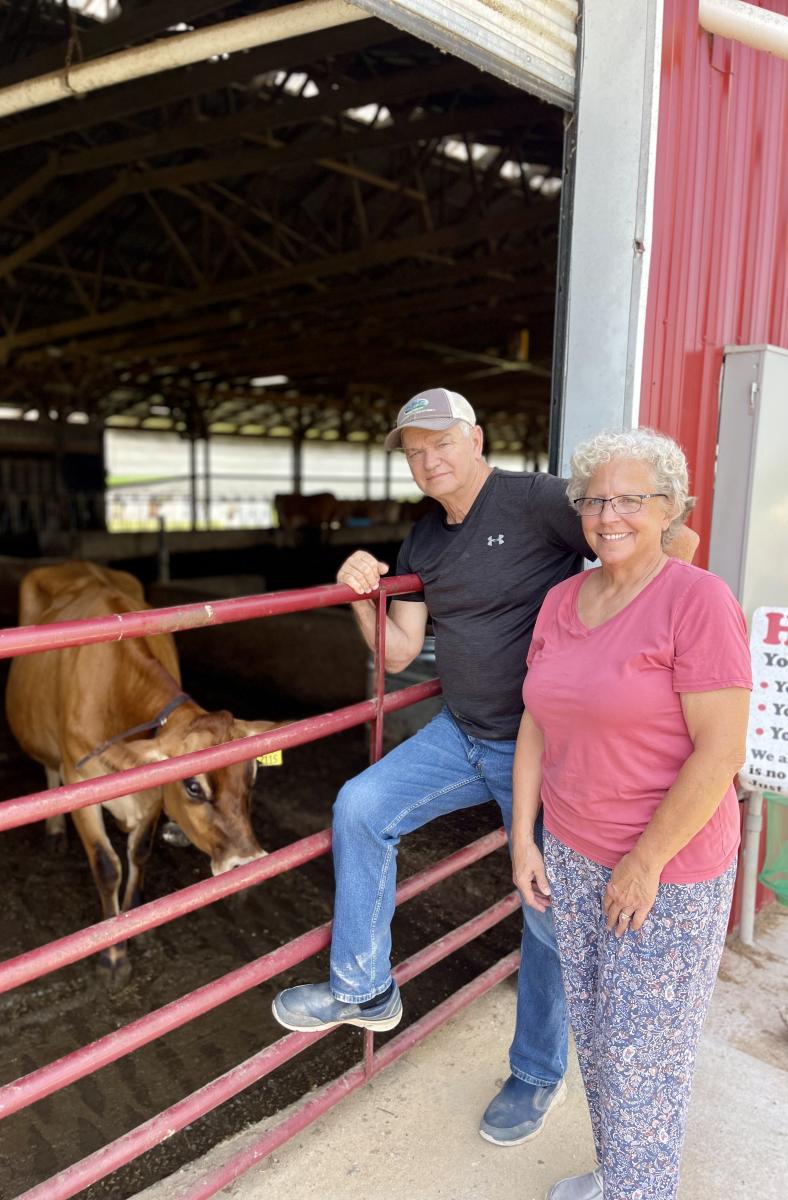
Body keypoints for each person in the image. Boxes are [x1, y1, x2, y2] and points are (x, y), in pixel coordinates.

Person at [271, 388, 700, 1145]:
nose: (428, 460)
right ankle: (364, 988)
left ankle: (536, 1073)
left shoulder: (534, 501)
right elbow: (400, 653)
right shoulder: (426, 541)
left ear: (475, 438)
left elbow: (666, 545)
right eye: (413, 450)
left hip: (545, 746)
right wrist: (359, 592)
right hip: (460, 734)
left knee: (543, 911)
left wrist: (606, 639)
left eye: (440, 442)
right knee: (359, 807)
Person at [511, 428, 750, 1199]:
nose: (609, 515)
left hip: (668, 870)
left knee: (647, 1060)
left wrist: (643, 864)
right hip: (574, 853)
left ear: (671, 506)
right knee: (603, 1043)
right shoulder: (559, 601)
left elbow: (719, 754)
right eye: (595, 500)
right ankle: (621, 1178)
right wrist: (524, 839)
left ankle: (639, 1188)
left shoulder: (698, 600)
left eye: (632, 499)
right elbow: (536, 722)